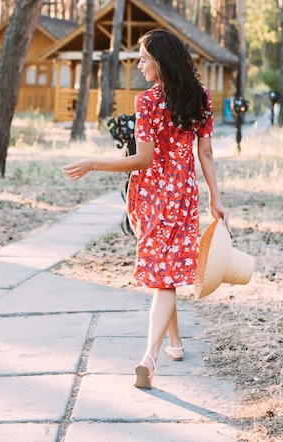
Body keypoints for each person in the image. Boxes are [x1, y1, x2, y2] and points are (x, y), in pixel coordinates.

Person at [62, 29, 229, 390]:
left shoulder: (148, 102)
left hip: (152, 196)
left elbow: (142, 160)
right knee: (164, 274)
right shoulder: (201, 97)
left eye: (143, 58)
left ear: (160, 61)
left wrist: (94, 162)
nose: (139, 65)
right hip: (182, 197)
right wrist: (215, 197)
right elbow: (206, 154)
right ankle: (175, 343)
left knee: (161, 277)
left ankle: (148, 358)